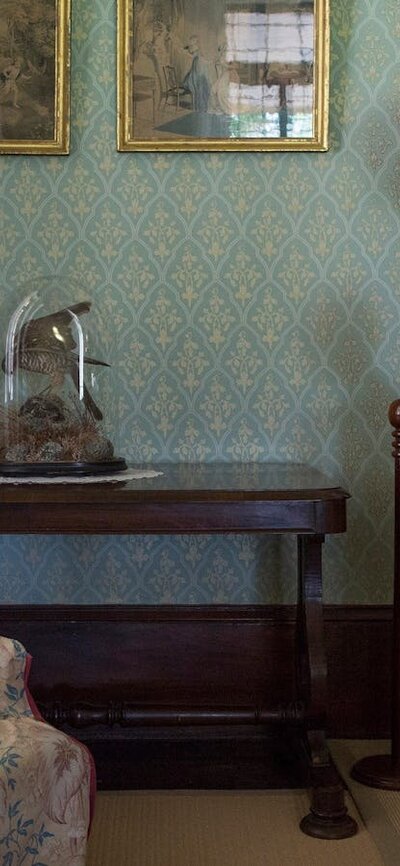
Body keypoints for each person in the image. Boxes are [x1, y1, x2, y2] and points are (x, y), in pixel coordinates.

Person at [181, 35, 210, 112]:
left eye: (192, 41)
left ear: (195, 41)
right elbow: (191, 54)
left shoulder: (197, 49)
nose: (190, 42)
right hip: (196, 69)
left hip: (198, 68)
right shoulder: (193, 48)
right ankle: (199, 107)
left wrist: (186, 52)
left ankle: (201, 107)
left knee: (201, 86)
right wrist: (186, 51)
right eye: (191, 41)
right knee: (198, 86)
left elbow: (193, 56)